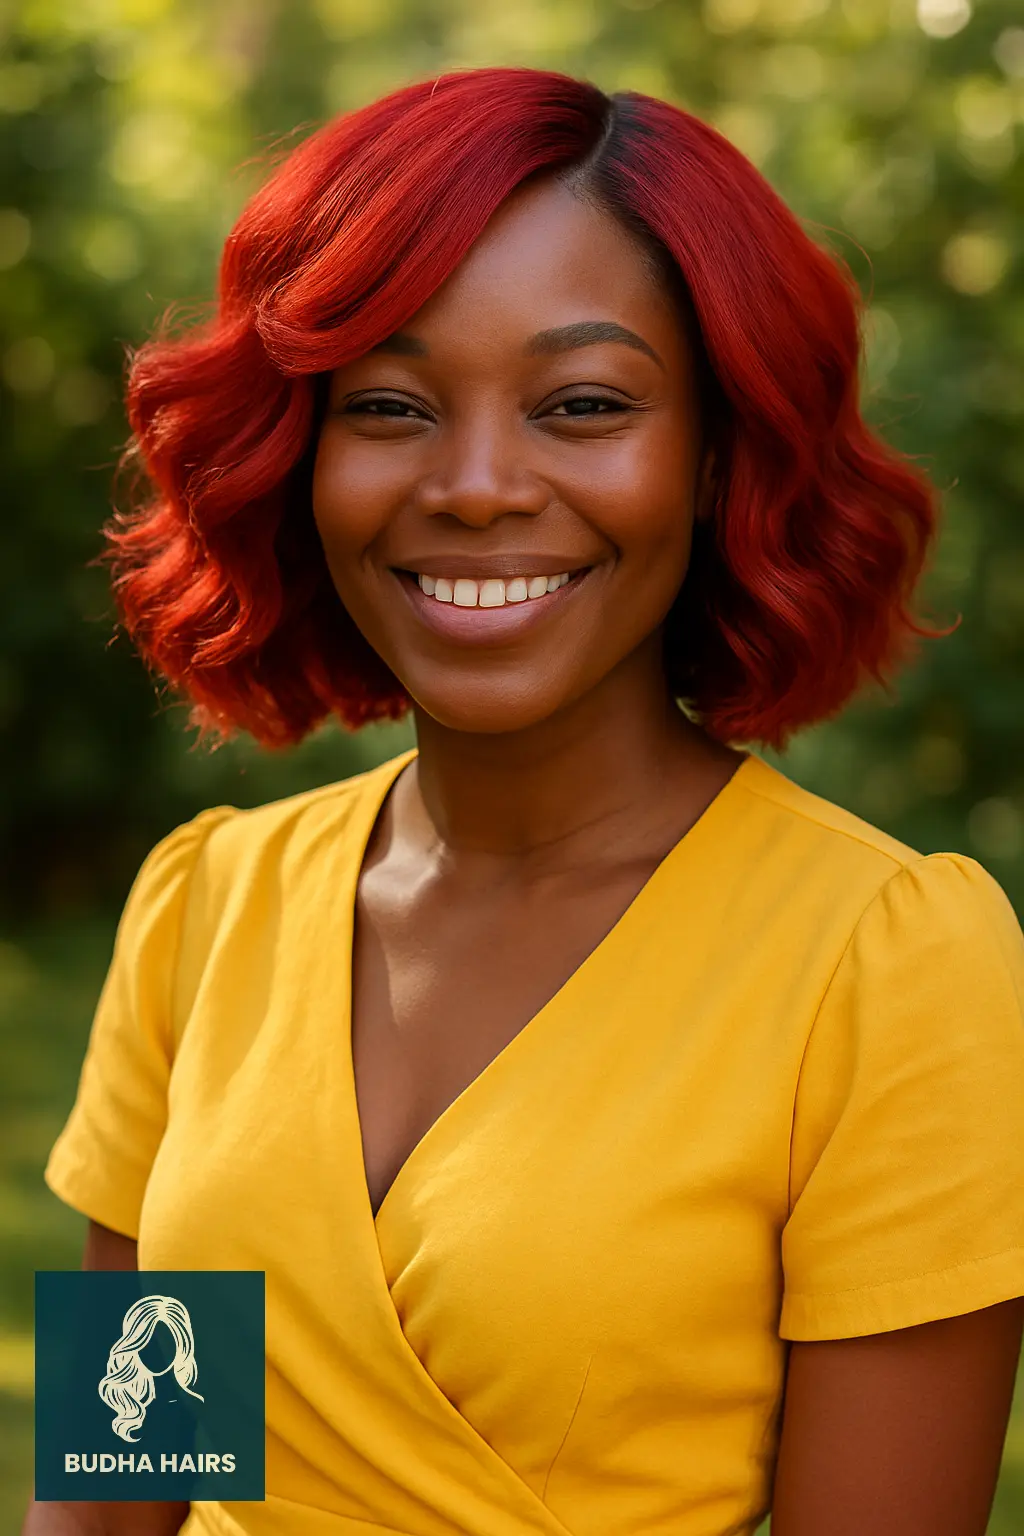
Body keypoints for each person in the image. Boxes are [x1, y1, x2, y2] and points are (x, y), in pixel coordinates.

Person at [25, 66, 1024, 1536]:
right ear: (303, 458)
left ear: (713, 458)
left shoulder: (886, 963)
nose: (477, 484)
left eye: (583, 403)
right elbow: (119, 1492)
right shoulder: (207, 906)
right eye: (389, 404)